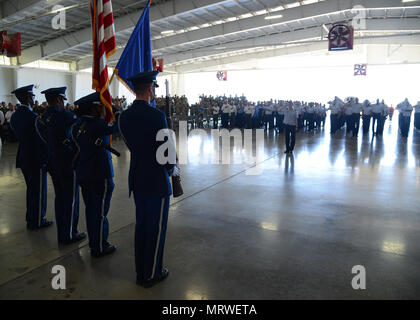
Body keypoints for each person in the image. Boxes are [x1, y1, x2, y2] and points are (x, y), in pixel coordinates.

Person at [118, 71, 176, 287]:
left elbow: (131, 145)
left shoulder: (124, 116)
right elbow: (166, 152)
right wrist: (171, 170)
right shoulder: (157, 116)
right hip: (156, 180)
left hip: (137, 177)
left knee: (142, 226)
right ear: (150, 88)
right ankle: (151, 273)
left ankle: (141, 270)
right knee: (155, 229)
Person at [71, 92, 119, 257]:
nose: (102, 110)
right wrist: (114, 109)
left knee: (91, 210)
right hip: (100, 174)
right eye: (100, 107)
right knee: (99, 212)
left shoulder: (76, 125)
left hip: (83, 173)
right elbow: (117, 127)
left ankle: (94, 243)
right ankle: (99, 247)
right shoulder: (98, 124)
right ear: (93, 109)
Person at [36, 87, 86, 244]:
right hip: (67, 163)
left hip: (52, 162)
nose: (63, 103)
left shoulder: (42, 118)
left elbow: (42, 139)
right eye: (62, 100)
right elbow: (79, 130)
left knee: (60, 198)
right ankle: (70, 234)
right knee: (71, 199)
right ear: (58, 99)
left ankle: (62, 233)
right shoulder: (65, 115)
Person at [9, 85, 52, 230]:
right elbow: (41, 140)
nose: (34, 99)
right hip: (35, 158)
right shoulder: (33, 117)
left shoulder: (15, 116)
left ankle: (31, 217)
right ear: (28, 97)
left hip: (23, 156)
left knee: (31, 190)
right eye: (32, 96)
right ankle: (38, 220)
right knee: (38, 191)